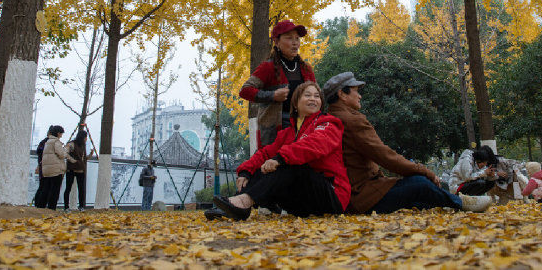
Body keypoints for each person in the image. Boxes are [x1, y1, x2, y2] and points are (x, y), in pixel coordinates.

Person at [324, 72, 492, 213]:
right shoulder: (351, 121)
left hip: (353, 193)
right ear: (342, 94)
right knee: (420, 184)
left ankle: (453, 201)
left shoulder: (330, 118)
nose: (360, 95)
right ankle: (461, 203)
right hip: (361, 195)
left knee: (422, 202)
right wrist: (424, 171)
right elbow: (385, 156)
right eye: (355, 91)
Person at [207, 82, 350, 220]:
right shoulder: (287, 133)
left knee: (290, 164)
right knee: (260, 168)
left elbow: (314, 144)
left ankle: (245, 201)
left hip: (331, 195)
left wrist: (280, 159)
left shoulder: (328, 123)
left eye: (317, 96)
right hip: (302, 202)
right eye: (307, 95)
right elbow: (264, 153)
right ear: (295, 103)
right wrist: (245, 171)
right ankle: (237, 208)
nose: (313, 99)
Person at [240, 20, 316, 148]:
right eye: (289, 38)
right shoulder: (268, 67)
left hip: (303, 128)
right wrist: (272, 95)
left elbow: (316, 96)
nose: (295, 43)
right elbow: (245, 90)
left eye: (297, 38)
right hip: (274, 133)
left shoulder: (306, 68)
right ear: (276, 41)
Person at [38, 125, 75, 210]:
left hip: (47, 170)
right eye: (61, 133)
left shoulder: (48, 141)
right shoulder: (56, 142)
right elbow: (61, 154)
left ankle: (40, 207)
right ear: (58, 133)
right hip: (56, 169)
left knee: (46, 189)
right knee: (55, 190)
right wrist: (66, 149)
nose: (61, 135)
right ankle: (52, 208)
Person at [63, 129, 88, 211]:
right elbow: (64, 152)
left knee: (81, 189)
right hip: (71, 169)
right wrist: (72, 160)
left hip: (81, 170)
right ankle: (66, 207)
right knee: (68, 188)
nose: (86, 139)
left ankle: (81, 206)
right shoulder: (71, 144)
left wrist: (90, 155)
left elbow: (83, 158)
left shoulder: (83, 145)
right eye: (85, 137)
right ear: (82, 137)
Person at [33, 126, 53, 207]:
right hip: (44, 167)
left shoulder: (46, 142)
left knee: (45, 187)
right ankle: (39, 204)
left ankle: (40, 204)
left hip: (45, 167)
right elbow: (40, 152)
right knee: (43, 186)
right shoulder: (45, 142)